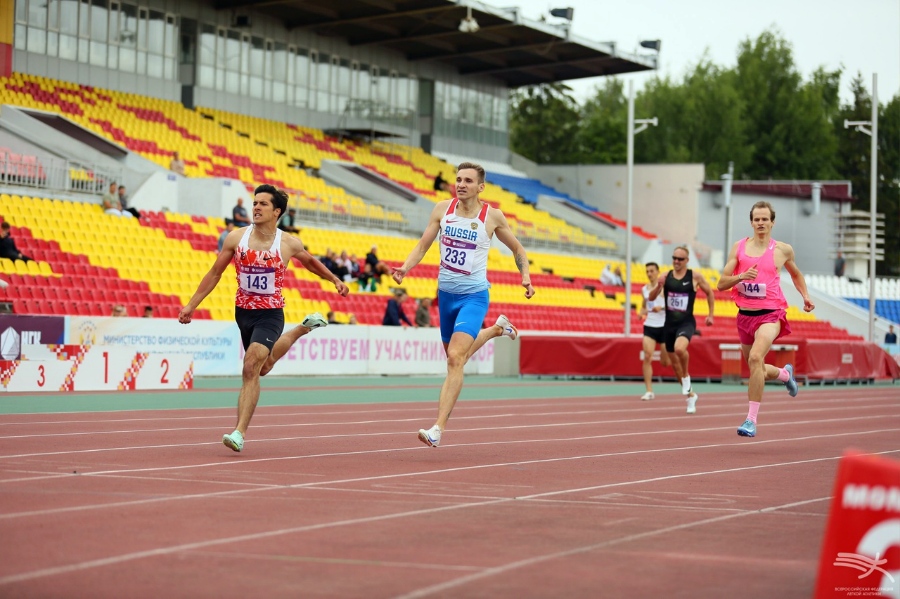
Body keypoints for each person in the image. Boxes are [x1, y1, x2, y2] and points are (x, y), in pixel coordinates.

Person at [179, 184, 349, 453]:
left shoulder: (288, 243)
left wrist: (335, 279)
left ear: (276, 211)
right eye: (255, 203)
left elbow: (310, 263)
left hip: (270, 313)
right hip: (243, 312)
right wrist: (191, 305)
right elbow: (214, 273)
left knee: (250, 366)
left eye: (263, 204)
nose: (256, 207)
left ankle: (239, 432)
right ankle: (302, 329)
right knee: (263, 367)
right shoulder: (236, 238)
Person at [392, 161, 535, 448]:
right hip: (446, 297)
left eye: (468, 181)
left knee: (455, 359)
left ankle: (437, 429)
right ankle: (496, 329)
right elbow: (422, 245)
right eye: (458, 179)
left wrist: (526, 277)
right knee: (457, 357)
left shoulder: (491, 216)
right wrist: (405, 268)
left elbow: (517, 248)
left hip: (474, 297)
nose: (461, 184)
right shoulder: (441, 210)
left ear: (481, 187)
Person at [718, 201, 813, 438]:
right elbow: (721, 283)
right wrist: (741, 276)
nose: (761, 223)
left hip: (771, 315)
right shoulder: (739, 248)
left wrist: (805, 296)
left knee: (755, 357)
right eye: (757, 219)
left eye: (765, 219)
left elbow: (796, 274)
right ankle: (785, 374)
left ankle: (751, 420)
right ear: (751, 222)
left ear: (772, 222)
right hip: (745, 316)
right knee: (756, 368)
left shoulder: (782, 250)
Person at [648, 245, 715, 415]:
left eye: (680, 259)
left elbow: (710, 292)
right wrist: (658, 286)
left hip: (686, 323)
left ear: (687, 260)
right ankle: (690, 396)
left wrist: (710, 315)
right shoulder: (665, 276)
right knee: (675, 366)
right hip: (669, 325)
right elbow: (651, 297)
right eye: (674, 258)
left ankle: (686, 376)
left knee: (679, 349)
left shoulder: (695, 276)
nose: (676, 261)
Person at [639, 262, 671, 401]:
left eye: (652, 271)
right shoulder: (644, 289)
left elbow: (673, 306)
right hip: (650, 325)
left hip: (664, 326)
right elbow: (644, 305)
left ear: (658, 272)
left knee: (665, 362)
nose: (649, 273)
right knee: (647, 356)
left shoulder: (664, 288)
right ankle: (649, 391)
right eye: (647, 271)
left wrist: (661, 308)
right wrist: (641, 312)